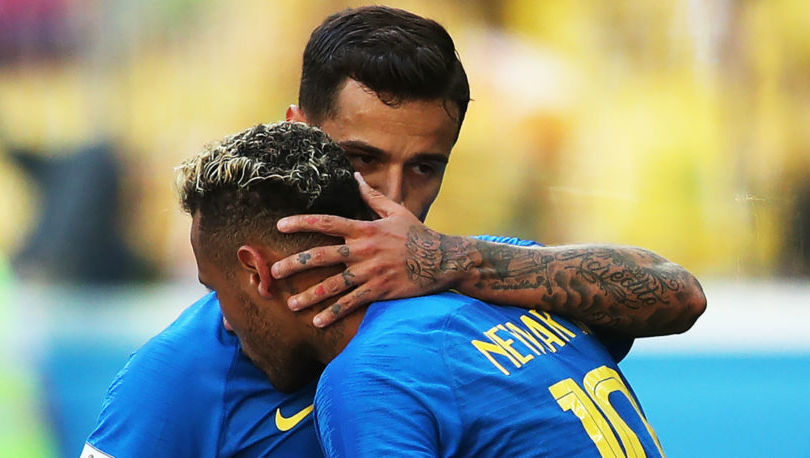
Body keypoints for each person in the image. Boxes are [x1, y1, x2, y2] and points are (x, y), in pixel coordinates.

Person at [82, 6, 704, 457]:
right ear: (299, 133)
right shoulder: (180, 374)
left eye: (425, 167)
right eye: (361, 159)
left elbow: (679, 294)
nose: (395, 198)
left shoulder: (476, 280)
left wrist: (452, 260)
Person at [178, 121, 666, 457]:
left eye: (215, 290)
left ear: (256, 272)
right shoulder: (506, 290)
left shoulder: (367, 379)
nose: (224, 322)